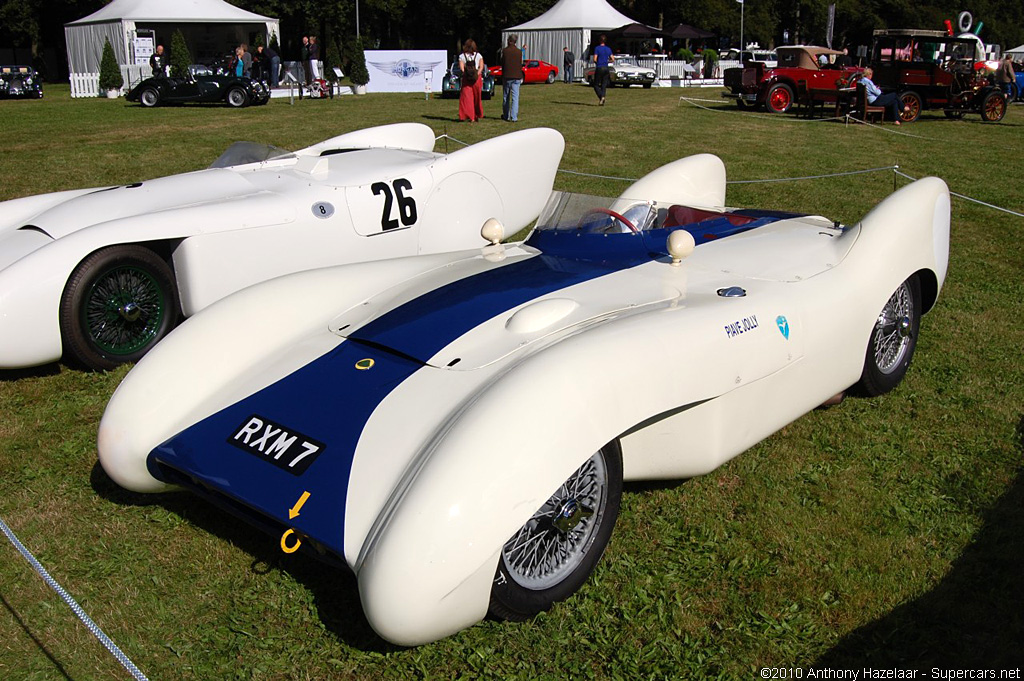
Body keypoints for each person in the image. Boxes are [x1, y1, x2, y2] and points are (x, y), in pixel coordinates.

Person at [458, 39, 484, 122]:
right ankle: (477, 114)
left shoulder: (462, 56)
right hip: (477, 79)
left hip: (466, 79)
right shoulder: (478, 55)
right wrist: (477, 74)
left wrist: (467, 74)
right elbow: (481, 67)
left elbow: (462, 68)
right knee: (477, 98)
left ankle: (470, 116)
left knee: (467, 98)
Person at [501, 35, 524, 121]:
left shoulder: (505, 51)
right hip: (517, 76)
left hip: (507, 76)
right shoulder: (519, 52)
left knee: (506, 97)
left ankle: (506, 115)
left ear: (509, 41)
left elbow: (502, 63)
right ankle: (514, 117)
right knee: (515, 97)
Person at [591, 34, 613, 105]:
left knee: (596, 85)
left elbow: (595, 59)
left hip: (599, 67)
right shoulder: (608, 49)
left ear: (599, 40)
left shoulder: (597, 48)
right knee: (604, 84)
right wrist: (607, 61)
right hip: (606, 67)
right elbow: (612, 59)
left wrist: (597, 62)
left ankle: (601, 96)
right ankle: (603, 96)